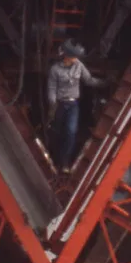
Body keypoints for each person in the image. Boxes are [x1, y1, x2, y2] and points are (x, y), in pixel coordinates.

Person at [46, 39, 105, 170]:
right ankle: (53, 157)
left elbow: (88, 80)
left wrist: (104, 83)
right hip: (59, 105)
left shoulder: (79, 65)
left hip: (73, 105)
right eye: (74, 56)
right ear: (67, 56)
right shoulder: (55, 70)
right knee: (56, 132)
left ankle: (64, 162)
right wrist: (52, 104)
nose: (76, 59)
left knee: (71, 132)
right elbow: (51, 88)